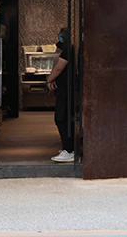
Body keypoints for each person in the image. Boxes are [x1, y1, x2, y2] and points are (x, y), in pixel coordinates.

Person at [45, 28, 75, 163]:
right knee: (64, 118)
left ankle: (68, 150)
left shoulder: (68, 51)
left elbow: (59, 68)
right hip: (66, 90)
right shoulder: (70, 49)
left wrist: (49, 80)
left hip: (65, 91)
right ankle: (68, 148)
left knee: (61, 119)